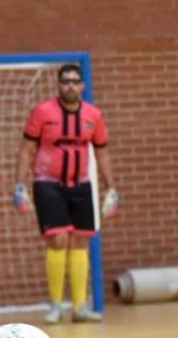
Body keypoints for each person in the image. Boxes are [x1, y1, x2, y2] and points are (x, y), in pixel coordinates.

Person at [13, 63, 118, 324]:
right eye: (65, 81)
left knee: (80, 240)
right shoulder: (42, 112)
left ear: (82, 86)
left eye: (74, 81)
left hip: (81, 184)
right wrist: (20, 185)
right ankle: (56, 305)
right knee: (58, 239)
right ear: (58, 85)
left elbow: (102, 153)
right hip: (47, 183)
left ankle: (80, 307)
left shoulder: (93, 115)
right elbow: (27, 149)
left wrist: (111, 188)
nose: (70, 86)